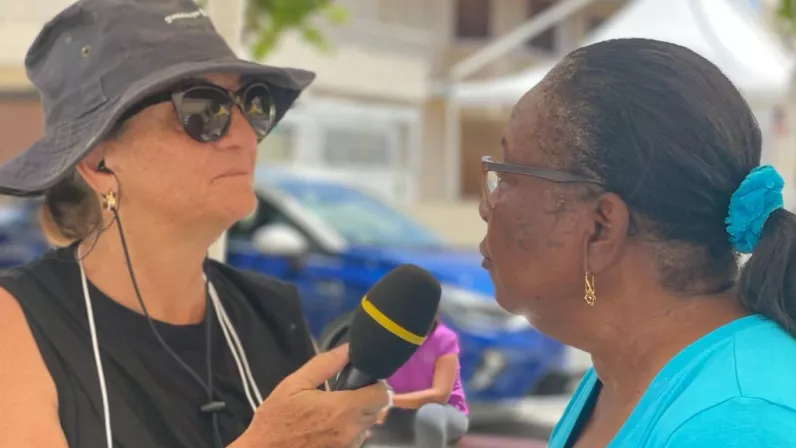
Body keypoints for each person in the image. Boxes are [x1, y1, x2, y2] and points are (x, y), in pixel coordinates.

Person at [0, 0, 389, 447]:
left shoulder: (271, 313)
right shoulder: (17, 323)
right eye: (204, 110)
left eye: (253, 105)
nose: (244, 136)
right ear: (98, 161)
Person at [478, 38, 796, 448]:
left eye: (507, 178)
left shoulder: (737, 423)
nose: (486, 207)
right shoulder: (621, 372)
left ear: (601, 227)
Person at [372, 317, 469, 447]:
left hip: (443, 412)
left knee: (429, 414)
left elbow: (440, 395)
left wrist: (388, 400)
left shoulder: (443, 338)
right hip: (397, 413)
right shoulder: (386, 338)